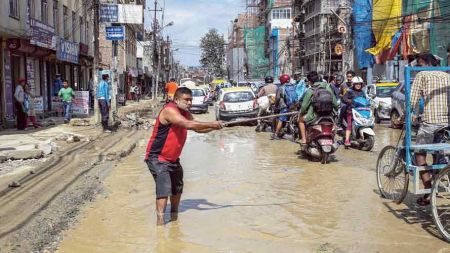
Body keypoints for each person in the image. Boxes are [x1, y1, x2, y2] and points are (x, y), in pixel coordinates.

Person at [144, 87, 223, 225]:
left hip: (173, 159)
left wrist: (215, 127)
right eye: (186, 100)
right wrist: (212, 123)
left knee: (177, 188)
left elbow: (196, 128)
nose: (189, 103)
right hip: (157, 157)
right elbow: (188, 124)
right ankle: (160, 223)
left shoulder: (185, 113)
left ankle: (174, 219)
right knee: (164, 187)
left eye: (191, 100)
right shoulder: (169, 110)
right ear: (176, 99)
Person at [410, 54, 449, 206]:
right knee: (440, 153)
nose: (419, 67)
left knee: (419, 153)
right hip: (447, 123)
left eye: (420, 64)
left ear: (425, 63)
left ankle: (428, 188)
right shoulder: (446, 75)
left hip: (430, 123)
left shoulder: (422, 75)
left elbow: (412, 99)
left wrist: (406, 115)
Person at [299, 71, 338, 148]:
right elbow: (335, 104)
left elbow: (304, 107)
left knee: (300, 120)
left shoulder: (310, 90)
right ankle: (333, 139)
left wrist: (302, 113)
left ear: (309, 81)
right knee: (335, 125)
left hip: (314, 116)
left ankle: (304, 140)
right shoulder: (328, 88)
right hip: (329, 116)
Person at [342, 76, 366, 147]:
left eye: (359, 84)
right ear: (353, 84)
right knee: (349, 124)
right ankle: (347, 140)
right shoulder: (349, 91)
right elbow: (344, 98)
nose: (358, 85)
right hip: (351, 111)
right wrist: (350, 101)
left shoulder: (362, 92)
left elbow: (365, 100)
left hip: (361, 111)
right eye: (356, 84)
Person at [272, 74, 296, 140]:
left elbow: (277, 98)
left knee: (281, 120)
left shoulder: (281, 88)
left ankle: (276, 134)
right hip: (292, 106)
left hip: (284, 106)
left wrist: (275, 106)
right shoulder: (293, 86)